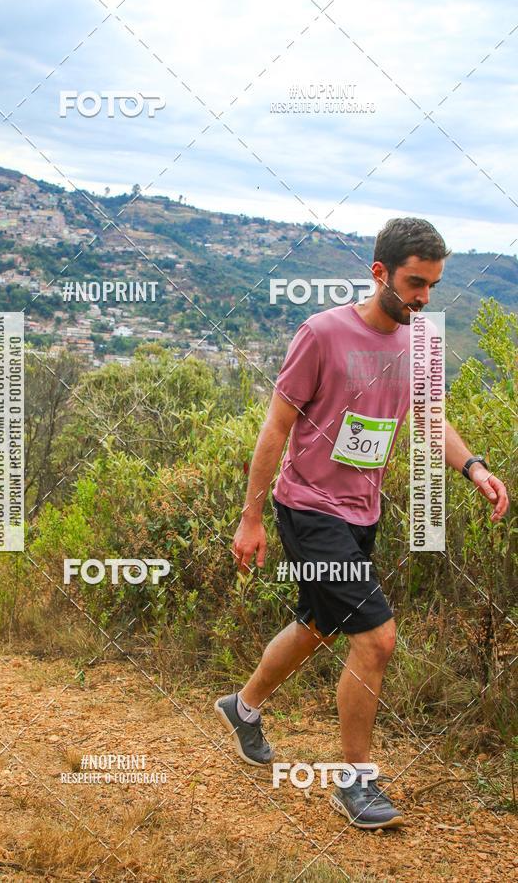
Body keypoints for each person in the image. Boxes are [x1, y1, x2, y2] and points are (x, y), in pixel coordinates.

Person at [214, 217, 509, 830]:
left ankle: (242, 708)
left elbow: (428, 414)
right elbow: (276, 427)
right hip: (308, 508)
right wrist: (251, 518)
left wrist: (473, 467)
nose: (423, 298)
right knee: (376, 638)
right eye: (413, 283)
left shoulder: (419, 342)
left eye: (432, 285)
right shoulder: (322, 334)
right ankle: (356, 782)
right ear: (379, 274)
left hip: (361, 512)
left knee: (319, 625)